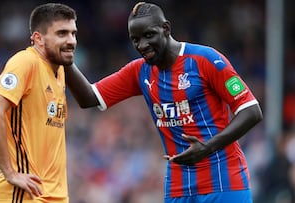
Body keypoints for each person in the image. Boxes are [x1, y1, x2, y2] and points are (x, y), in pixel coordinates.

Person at [65, 2, 263, 203]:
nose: (142, 45)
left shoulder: (205, 60)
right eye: (135, 39)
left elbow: (251, 111)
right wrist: (66, 60)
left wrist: (208, 147)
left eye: (149, 35)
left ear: (166, 28)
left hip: (224, 182)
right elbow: (89, 97)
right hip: (178, 188)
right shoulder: (139, 71)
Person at [0, 3, 77, 202]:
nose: (71, 41)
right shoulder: (26, 62)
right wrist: (10, 173)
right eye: (62, 33)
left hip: (55, 195)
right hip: (26, 195)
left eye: (73, 33)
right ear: (38, 38)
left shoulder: (59, 71)